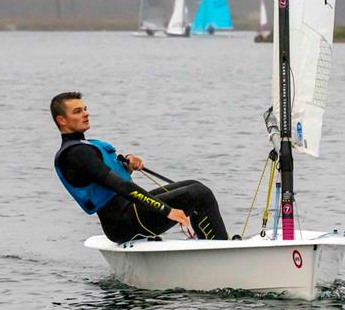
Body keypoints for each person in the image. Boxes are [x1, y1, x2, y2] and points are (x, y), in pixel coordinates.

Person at [51, 91, 229, 244]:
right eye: (78, 111)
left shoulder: (85, 146)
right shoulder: (76, 154)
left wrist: (127, 165)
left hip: (130, 212)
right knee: (198, 194)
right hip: (123, 223)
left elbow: (111, 180)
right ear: (62, 120)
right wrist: (167, 211)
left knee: (193, 185)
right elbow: (121, 186)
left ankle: (211, 244)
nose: (86, 114)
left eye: (85, 109)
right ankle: (222, 251)